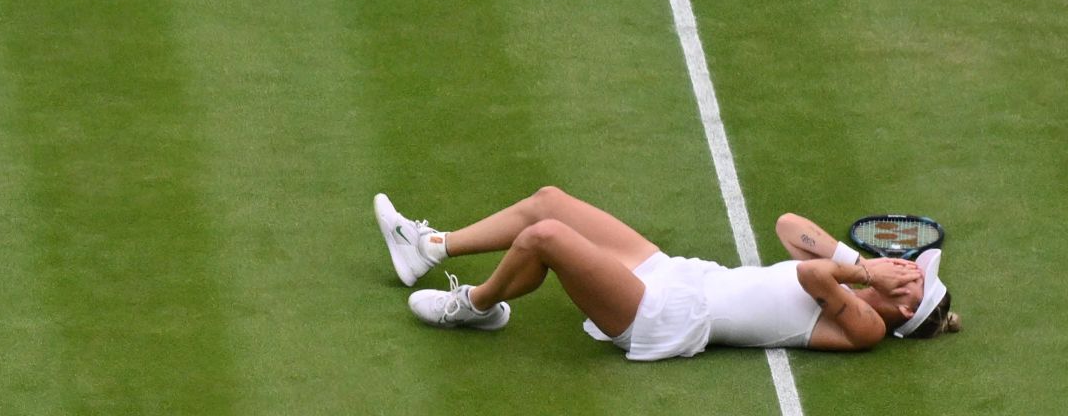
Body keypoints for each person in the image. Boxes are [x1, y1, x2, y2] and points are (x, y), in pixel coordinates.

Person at [374, 187, 959, 361]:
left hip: (669, 317)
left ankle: (473, 306)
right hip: (680, 275)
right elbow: (787, 224)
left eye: (912, 277)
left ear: (906, 309)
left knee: (544, 240)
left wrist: (864, 273)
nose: (904, 266)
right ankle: (427, 246)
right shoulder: (857, 281)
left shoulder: (869, 329)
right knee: (548, 203)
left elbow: (811, 278)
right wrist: (864, 269)